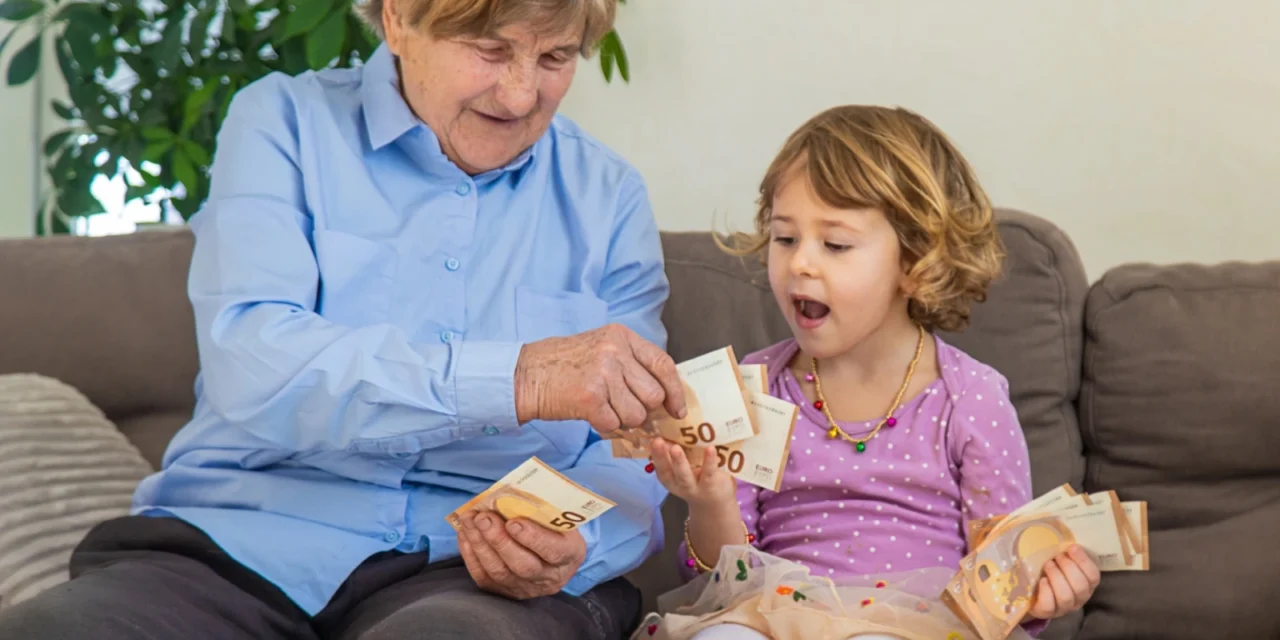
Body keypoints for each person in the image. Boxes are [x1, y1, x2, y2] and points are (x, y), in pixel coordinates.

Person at [0, 1, 684, 639]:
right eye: (490, 50)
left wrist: (580, 542)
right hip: (238, 548)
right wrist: (516, 379)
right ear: (398, 18)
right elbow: (254, 363)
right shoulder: (281, 123)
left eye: (554, 58)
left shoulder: (608, 197)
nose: (519, 95)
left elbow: (640, 452)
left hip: (469, 577)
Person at [631, 106, 1101, 640]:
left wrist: (1046, 589)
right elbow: (723, 583)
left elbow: (1002, 585)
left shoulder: (971, 399)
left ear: (915, 263)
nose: (800, 263)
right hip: (774, 617)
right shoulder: (754, 387)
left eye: (835, 244)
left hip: (919, 628)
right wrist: (709, 500)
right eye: (785, 238)